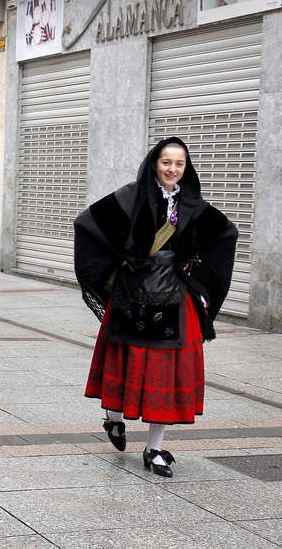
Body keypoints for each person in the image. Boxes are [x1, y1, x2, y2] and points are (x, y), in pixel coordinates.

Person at [74, 136, 238, 478]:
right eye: (167, 163)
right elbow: (88, 224)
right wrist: (122, 261)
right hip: (132, 297)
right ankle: (114, 419)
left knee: (166, 375)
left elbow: (225, 235)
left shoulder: (192, 205)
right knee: (124, 366)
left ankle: (155, 448)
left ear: (185, 168)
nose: (172, 170)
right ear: (154, 164)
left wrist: (196, 269)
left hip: (175, 301)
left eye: (179, 164)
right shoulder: (130, 197)